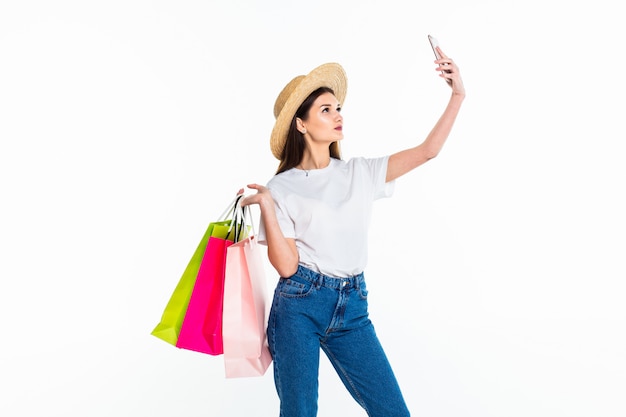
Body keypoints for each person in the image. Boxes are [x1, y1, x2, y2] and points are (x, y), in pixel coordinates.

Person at [240, 46, 465, 416]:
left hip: (353, 308)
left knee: (392, 410)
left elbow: (428, 151)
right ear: (301, 123)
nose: (337, 115)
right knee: (299, 411)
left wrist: (457, 95)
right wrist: (266, 205)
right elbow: (286, 267)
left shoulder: (360, 173)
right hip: (299, 306)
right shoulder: (281, 188)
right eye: (325, 110)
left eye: (338, 108)